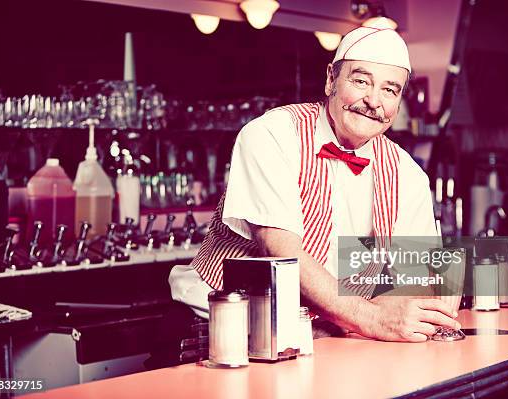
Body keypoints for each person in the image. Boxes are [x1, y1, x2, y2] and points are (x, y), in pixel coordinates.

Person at [169, 24, 460, 342]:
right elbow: (281, 254)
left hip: (328, 335)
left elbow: (420, 279)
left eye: (389, 90)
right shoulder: (273, 135)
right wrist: (371, 316)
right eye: (361, 81)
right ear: (330, 80)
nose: (373, 101)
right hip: (225, 328)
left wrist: (434, 288)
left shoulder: (406, 173)